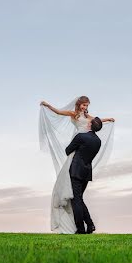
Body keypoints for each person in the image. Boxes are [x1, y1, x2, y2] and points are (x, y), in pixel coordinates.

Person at [38, 96, 115, 233]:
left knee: (76, 197)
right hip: (82, 150)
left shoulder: (88, 118)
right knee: (77, 197)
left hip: (81, 149)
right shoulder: (74, 115)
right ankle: (88, 225)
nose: (85, 108)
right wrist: (47, 105)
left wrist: (107, 119)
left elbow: (96, 121)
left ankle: (81, 228)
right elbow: (58, 112)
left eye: (87, 106)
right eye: (84, 105)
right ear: (79, 104)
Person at [65, 117, 103, 233]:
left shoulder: (81, 137)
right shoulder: (98, 141)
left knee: (76, 200)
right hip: (86, 172)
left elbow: (68, 150)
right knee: (79, 199)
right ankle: (90, 225)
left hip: (76, 171)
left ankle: (80, 229)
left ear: (90, 125)